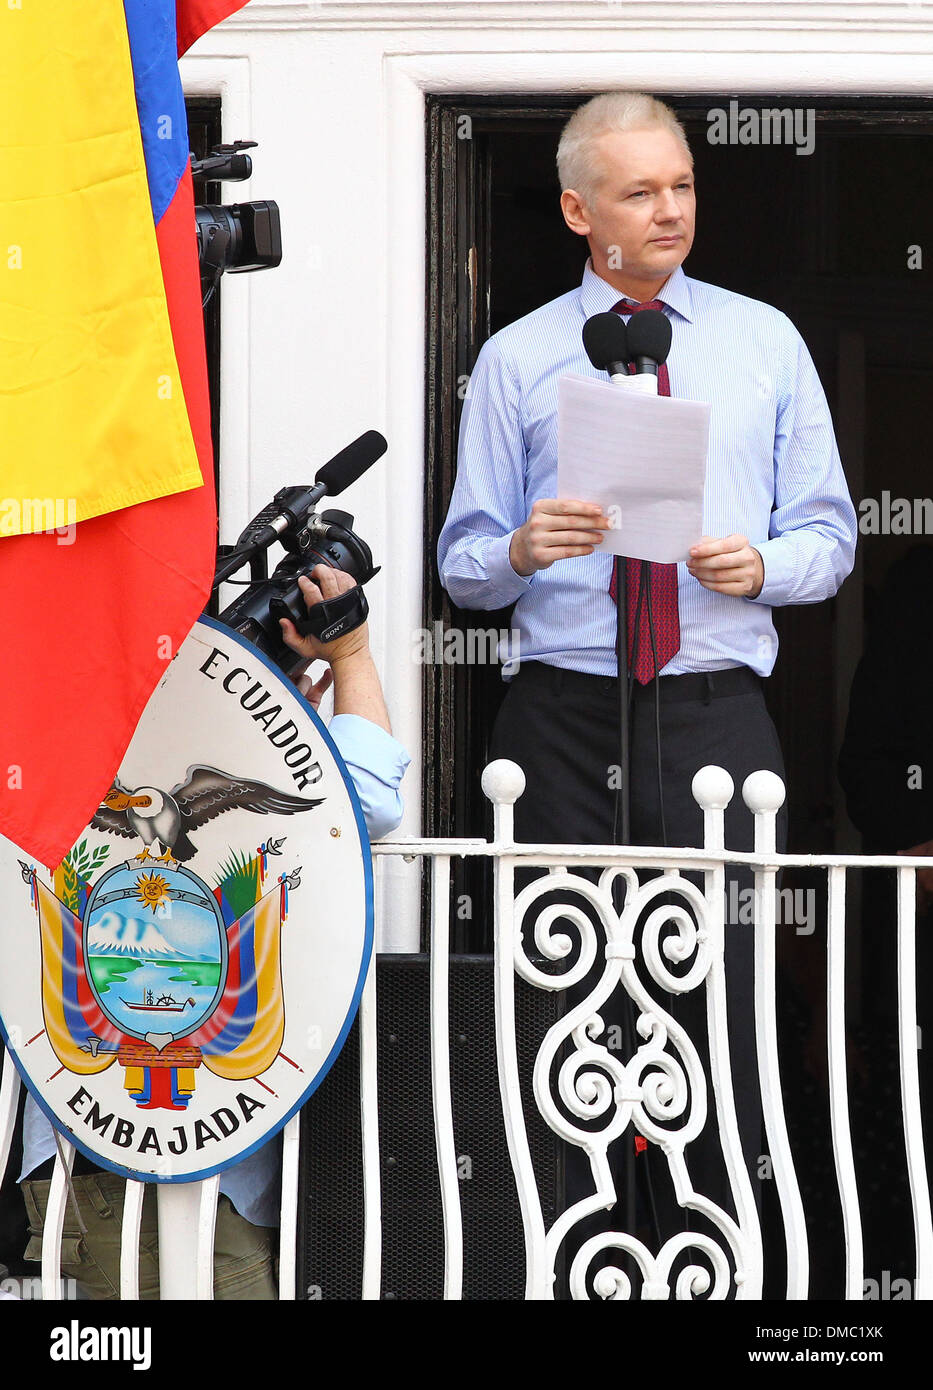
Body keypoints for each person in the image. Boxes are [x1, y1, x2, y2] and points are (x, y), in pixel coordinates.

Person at [438, 91, 858, 1244]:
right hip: (560, 721)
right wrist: (524, 546)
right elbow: (464, 565)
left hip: (719, 714)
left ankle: (716, 1248)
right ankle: (563, 1247)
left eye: (681, 186)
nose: (670, 211)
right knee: (552, 1001)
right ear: (578, 210)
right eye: (639, 193)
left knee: (722, 995)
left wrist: (758, 562)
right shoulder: (517, 356)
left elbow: (831, 539)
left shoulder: (764, 338)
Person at [17, 565, 410, 1299]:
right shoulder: (104, 746)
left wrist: (272, 724)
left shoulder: (59, 741)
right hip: (143, 1177)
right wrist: (351, 656)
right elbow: (368, 803)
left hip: (112, 1161)